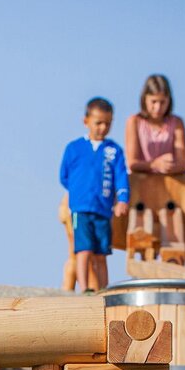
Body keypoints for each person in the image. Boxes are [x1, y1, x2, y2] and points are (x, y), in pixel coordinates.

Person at [59, 97, 129, 293]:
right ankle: (85, 288)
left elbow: (121, 177)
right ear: (86, 121)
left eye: (108, 123)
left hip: (103, 209)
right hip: (80, 209)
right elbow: (64, 176)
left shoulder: (114, 151)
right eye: (98, 122)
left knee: (101, 252)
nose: (102, 127)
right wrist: (78, 192)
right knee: (83, 250)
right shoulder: (74, 148)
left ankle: (104, 289)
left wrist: (122, 199)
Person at [124, 74, 185, 175]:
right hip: (141, 185)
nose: (158, 107)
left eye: (162, 102)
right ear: (145, 99)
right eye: (153, 102)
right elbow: (132, 163)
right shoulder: (134, 122)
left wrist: (168, 166)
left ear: (169, 101)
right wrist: (154, 165)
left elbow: (183, 164)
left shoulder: (177, 123)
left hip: (170, 185)